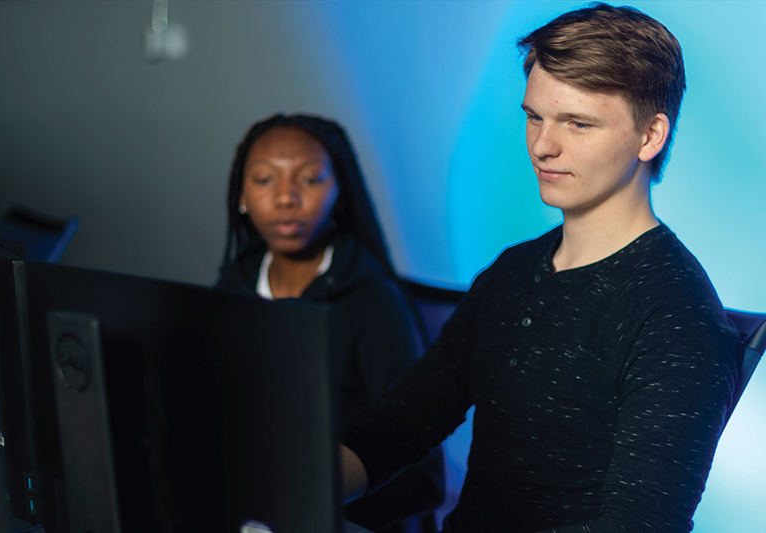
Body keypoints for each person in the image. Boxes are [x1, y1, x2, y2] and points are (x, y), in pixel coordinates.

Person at [340, 4, 741, 532]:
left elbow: (639, 524)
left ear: (650, 137)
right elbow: (402, 423)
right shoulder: (513, 271)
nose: (542, 147)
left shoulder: (676, 318)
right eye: (535, 116)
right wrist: (283, 489)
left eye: (578, 123)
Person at [216, 113, 444, 532]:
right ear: (241, 196)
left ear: (340, 192)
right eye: (265, 180)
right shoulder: (234, 283)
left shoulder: (371, 299)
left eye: (309, 179)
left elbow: (423, 478)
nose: (285, 198)